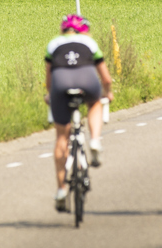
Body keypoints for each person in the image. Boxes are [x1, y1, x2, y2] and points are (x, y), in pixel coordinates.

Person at [45, 14, 113, 212]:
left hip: (60, 84)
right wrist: (107, 93)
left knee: (61, 138)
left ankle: (61, 190)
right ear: (83, 30)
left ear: (63, 29)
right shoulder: (89, 42)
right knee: (94, 104)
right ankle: (95, 141)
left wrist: (50, 95)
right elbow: (106, 78)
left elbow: (49, 79)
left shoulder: (53, 44)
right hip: (87, 81)